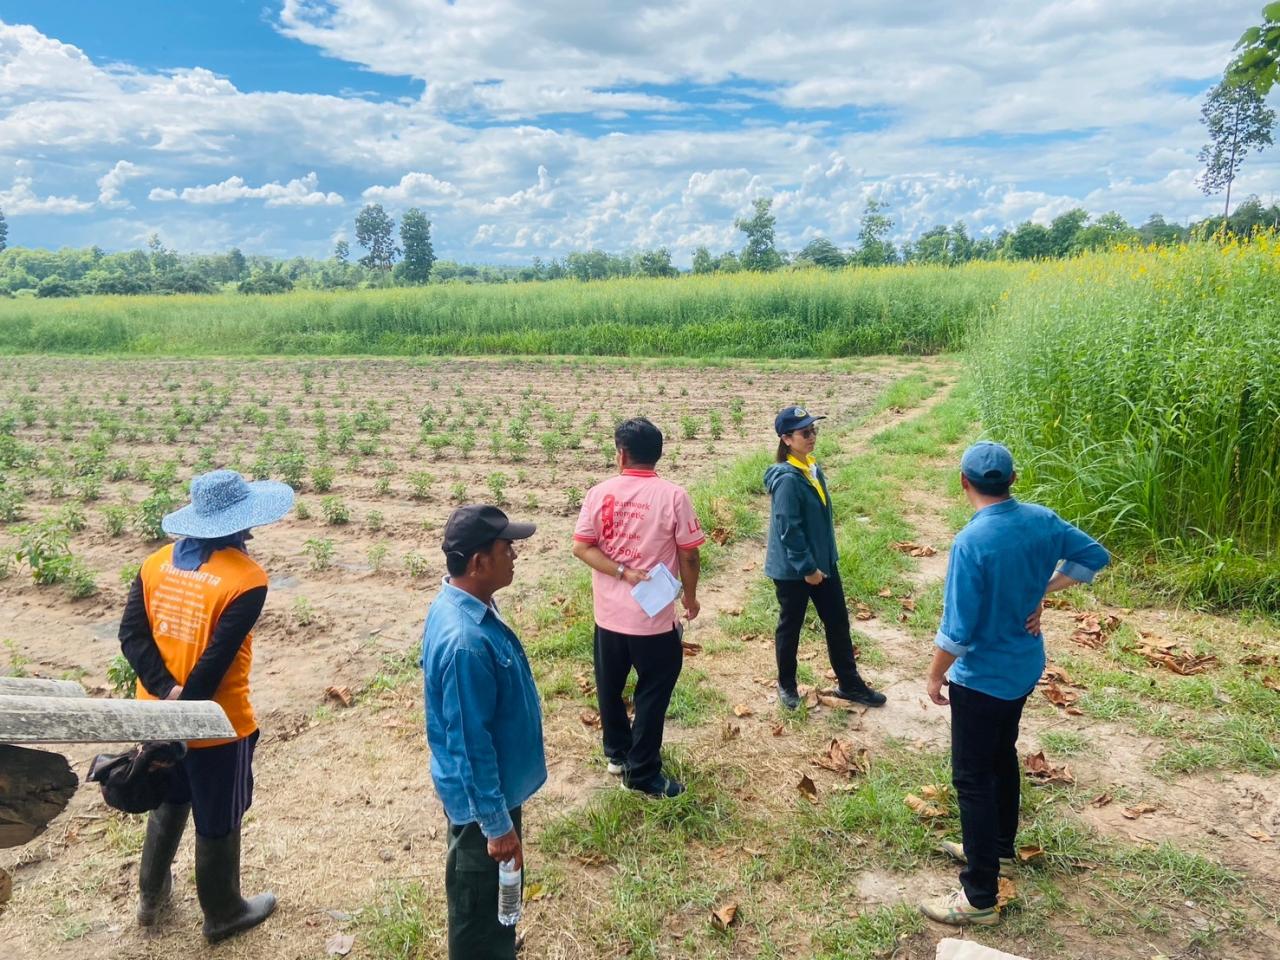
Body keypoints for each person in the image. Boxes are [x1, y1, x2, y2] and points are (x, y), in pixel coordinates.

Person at [920, 441, 1109, 927]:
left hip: (981, 679)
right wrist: (1042, 590)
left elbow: (957, 632)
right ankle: (999, 847)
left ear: (963, 483)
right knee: (1002, 754)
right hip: (1022, 670)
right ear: (1014, 479)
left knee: (972, 779)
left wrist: (935, 673)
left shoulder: (971, 543)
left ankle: (980, 893)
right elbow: (1094, 557)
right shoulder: (1042, 519)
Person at [119, 469, 294, 943]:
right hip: (217, 724)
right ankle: (223, 911)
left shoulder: (154, 564)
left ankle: (150, 901)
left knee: (169, 798)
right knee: (218, 814)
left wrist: (166, 694)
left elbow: (131, 637)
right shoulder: (246, 579)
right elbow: (216, 662)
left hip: (155, 713)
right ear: (240, 525)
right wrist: (189, 706)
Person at [422, 504, 545, 960]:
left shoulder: (467, 605)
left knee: (498, 898)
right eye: (506, 547)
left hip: (492, 794)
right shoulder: (466, 642)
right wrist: (496, 826)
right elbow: (471, 744)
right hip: (482, 807)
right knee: (481, 903)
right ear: (478, 562)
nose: (514, 554)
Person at [572, 417, 703, 798]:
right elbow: (689, 554)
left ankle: (617, 753)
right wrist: (690, 597)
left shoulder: (599, 494)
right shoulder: (673, 496)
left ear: (622, 454)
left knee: (609, 686)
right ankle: (643, 771)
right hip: (653, 620)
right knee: (653, 691)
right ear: (657, 454)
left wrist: (620, 571)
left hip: (608, 617)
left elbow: (582, 547)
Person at [765, 405, 885, 710]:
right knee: (790, 626)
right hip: (796, 571)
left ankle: (850, 684)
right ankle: (787, 685)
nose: (812, 437)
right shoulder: (789, 479)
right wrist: (808, 568)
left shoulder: (811, 468)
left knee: (837, 623)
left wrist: (824, 561)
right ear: (786, 439)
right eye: (805, 432)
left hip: (823, 564)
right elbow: (788, 529)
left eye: (813, 430)